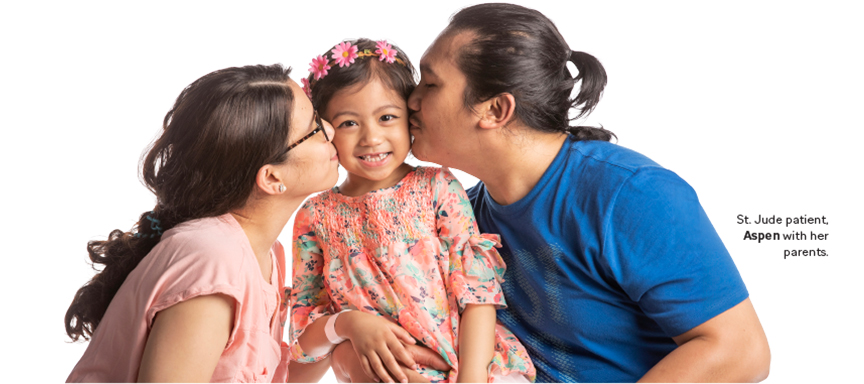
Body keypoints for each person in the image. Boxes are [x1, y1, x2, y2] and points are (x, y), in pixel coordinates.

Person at [333, 3, 771, 383]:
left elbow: (740, 351)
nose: (409, 102)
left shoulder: (628, 194)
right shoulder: (457, 215)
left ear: (495, 109)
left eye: (430, 85)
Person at [64, 64, 337, 382]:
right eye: (314, 128)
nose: (331, 130)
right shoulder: (215, 258)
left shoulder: (264, 253)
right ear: (272, 177)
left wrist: (339, 325)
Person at [287, 39, 535, 383]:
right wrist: (350, 325)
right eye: (348, 123)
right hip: (389, 373)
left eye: (387, 117)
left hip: (477, 365)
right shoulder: (314, 216)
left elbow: (478, 294)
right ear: (325, 129)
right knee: (348, 354)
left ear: (410, 118)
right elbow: (304, 338)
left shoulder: (438, 187)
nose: (371, 137)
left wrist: (472, 378)